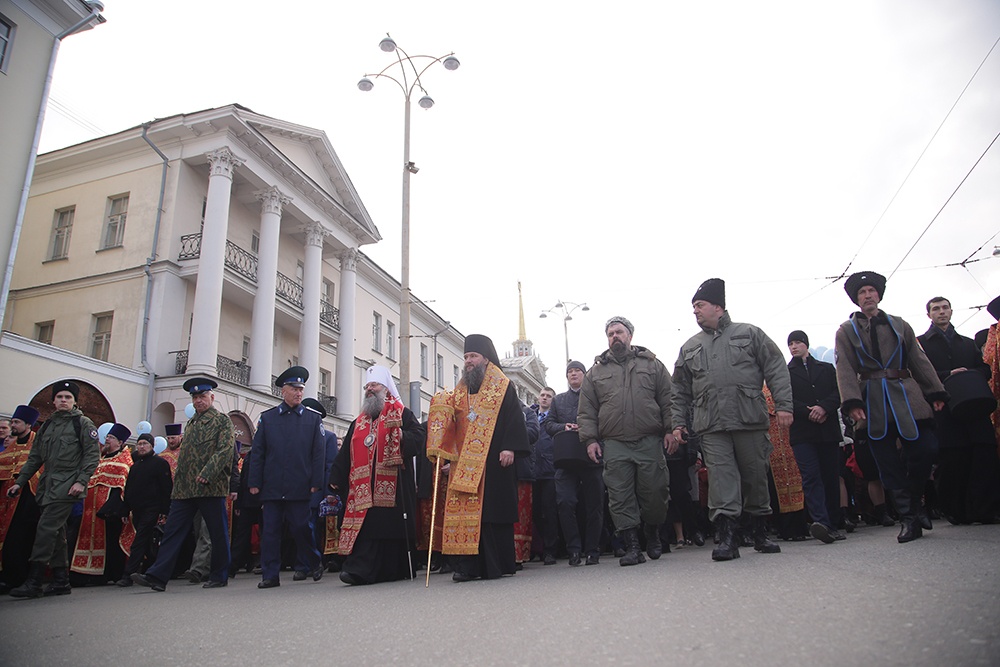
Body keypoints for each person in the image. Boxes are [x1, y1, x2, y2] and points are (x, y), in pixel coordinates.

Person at [671, 279, 792, 561]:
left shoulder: (750, 334)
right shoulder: (690, 346)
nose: (696, 312)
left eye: (700, 306)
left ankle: (759, 532)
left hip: (749, 418)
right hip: (711, 425)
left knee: (755, 477)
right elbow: (678, 389)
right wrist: (678, 423)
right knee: (721, 479)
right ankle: (727, 537)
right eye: (694, 308)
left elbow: (775, 367)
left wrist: (785, 405)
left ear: (718, 307)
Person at [834, 272, 947, 543]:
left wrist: (934, 391)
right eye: (862, 292)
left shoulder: (899, 325)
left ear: (879, 295)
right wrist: (851, 403)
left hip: (907, 395)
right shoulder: (846, 331)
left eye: (871, 290)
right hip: (872, 400)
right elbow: (845, 367)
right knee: (886, 464)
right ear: (857, 300)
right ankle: (909, 518)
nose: (867, 295)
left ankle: (915, 502)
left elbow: (918, 359)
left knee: (927, 449)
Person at [426, 334, 530, 582]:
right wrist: (449, 456)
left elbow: (514, 419)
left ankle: (495, 565)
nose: (468, 361)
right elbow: (452, 428)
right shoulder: (460, 392)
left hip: (494, 462)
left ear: (485, 359)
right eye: (465, 357)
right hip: (464, 466)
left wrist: (510, 447)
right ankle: (467, 567)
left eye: (473, 356)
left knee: (490, 515)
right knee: (465, 517)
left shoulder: (503, 386)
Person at [577, 318, 674, 567]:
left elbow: (668, 399)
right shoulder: (595, 373)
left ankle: (652, 534)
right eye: (610, 333)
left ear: (630, 335)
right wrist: (590, 440)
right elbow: (587, 410)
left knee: (655, 493)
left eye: (619, 332)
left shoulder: (652, 365)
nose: (614, 337)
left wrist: (671, 430)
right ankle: (632, 546)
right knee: (620, 497)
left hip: (649, 440)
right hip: (615, 443)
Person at [132, 377, 235, 591]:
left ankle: (219, 574)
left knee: (217, 532)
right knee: (172, 531)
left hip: (210, 487)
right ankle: (157, 576)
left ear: (212, 397)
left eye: (202, 396)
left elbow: (225, 451)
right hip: (184, 489)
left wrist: (208, 472)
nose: (199, 401)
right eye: (195, 397)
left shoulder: (221, 421)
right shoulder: (191, 424)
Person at [330, 366, 425, 585]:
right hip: (362, 489)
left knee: (388, 529)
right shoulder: (359, 421)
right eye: (367, 386)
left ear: (385, 389)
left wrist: (401, 435)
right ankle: (360, 570)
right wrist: (336, 477)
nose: (369, 389)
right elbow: (346, 452)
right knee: (367, 530)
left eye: (374, 385)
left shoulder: (402, 413)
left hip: (394, 487)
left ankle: (391, 570)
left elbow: (419, 437)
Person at [7, 381, 100, 598]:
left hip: (68, 485)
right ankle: (61, 580)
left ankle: (34, 580)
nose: (63, 401)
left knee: (46, 528)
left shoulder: (83, 424)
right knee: (56, 532)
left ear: (75, 401)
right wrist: (20, 482)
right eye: (60, 397)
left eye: (68, 397)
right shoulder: (47, 425)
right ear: (54, 401)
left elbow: (92, 456)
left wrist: (81, 481)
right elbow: (34, 457)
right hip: (48, 485)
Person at [917, 296, 1000, 524]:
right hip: (944, 408)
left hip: (974, 405)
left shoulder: (966, 342)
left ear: (951, 311)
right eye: (936, 309)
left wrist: (970, 374)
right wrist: (948, 376)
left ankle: (985, 509)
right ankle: (956, 511)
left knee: (983, 455)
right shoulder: (921, 344)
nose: (941, 312)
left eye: (945, 308)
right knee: (953, 459)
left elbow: (984, 368)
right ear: (929, 315)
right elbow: (918, 374)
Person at [248, 366, 325, 589]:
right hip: (272, 485)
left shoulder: (313, 419)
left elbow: (318, 455)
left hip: (300, 485)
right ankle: (270, 575)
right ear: (283, 391)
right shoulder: (268, 418)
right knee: (270, 532)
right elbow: (258, 452)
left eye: (301, 389)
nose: (299, 393)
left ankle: (313, 561)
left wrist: (316, 483)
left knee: (301, 528)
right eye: (294, 389)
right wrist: (254, 482)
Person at [786, 330, 846, 543]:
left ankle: (834, 522)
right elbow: (785, 399)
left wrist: (823, 408)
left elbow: (837, 392)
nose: (794, 347)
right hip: (803, 432)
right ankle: (821, 522)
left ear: (806, 345)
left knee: (830, 476)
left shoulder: (826, 368)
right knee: (811, 477)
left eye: (798, 342)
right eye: (791, 344)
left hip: (827, 429)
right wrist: (808, 411)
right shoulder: (786, 373)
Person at [546, 361, 608, 566]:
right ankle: (573, 549)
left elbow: (605, 421)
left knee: (594, 504)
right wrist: (565, 426)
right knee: (564, 502)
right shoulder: (559, 400)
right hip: (567, 458)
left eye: (577, 371)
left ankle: (592, 549)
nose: (573, 374)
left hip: (592, 457)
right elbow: (549, 424)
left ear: (585, 375)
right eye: (570, 372)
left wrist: (588, 428)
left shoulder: (594, 396)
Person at [70, 422, 134, 586]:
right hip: (88, 509)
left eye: (111, 438)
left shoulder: (125, 460)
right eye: (107, 437)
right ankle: (83, 573)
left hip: (108, 511)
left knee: (109, 542)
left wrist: (113, 508)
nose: (107, 440)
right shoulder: (99, 459)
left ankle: (105, 574)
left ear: (120, 442)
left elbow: (122, 487)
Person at [116, 433, 172, 586]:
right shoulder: (135, 466)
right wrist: (125, 509)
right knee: (147, 543)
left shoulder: (160, 463)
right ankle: (151, 572)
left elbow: (166, 488)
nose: (141, 447)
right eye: (139, 444)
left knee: (139, 541)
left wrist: (164, 511)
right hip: (137, 510)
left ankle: (128, 576)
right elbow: (129, 489)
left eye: (144, 444)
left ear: (151, 446)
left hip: (152, 509)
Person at [0, 405, 40, 592]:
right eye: (12, 422)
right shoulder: (11, 448)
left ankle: (18, 578)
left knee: (20, 541)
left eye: (16, 422)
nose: (13, 426)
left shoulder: (37, 446)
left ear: (28, 424)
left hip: (27, 505)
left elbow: (39, 473)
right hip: (7, 504)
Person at [301, 397, 340, 572]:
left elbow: (329, 466)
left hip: (315, 492)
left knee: (311, 528)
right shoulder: (296, 433)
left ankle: (312, 564)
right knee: (297, 528)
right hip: (296, 490)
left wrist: (328, 492)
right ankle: (300, 564)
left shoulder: (329, 437)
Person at [532, 387, 558, 565]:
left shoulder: (555, 419)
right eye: (542, 395)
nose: (544, 398)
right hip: (533, 470)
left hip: (550, 470)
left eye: (549, 396)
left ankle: (550, 549)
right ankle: (537, 548)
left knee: (549, 512)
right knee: (534, 512)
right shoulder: (530, 415)